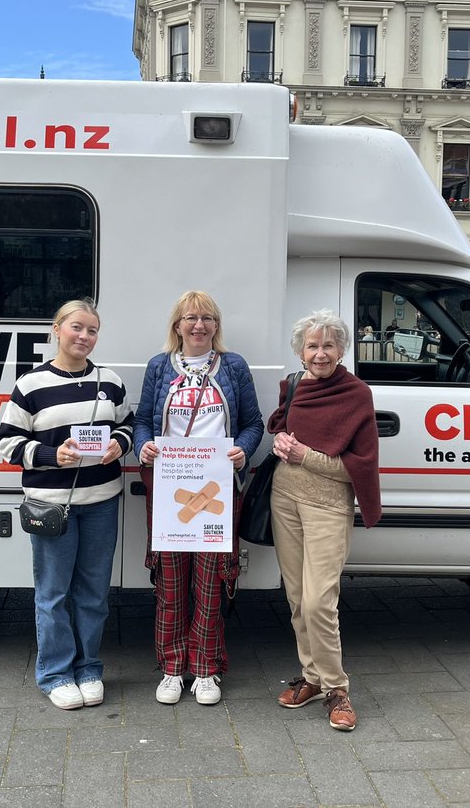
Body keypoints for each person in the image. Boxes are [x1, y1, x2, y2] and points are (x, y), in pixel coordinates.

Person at [0, 298, 134, 711]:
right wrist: (50, 455)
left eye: (92, 330)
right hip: (52, 505)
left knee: (93, 592)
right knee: (53, 593)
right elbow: (7, 443)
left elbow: (127, 424)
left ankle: (89, 667)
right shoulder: (31, 384)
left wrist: (119, 445)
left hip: (102, 502)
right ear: (57, 329)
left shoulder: (109, 381)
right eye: (77, 327)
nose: (85, 336)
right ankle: (55, 674)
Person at [134, 291, 264, 707]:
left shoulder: (234, 366)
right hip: (171, 488)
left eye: (207, 318)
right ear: (177, 325)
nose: (199, 325)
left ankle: (205, 667)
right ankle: (173, 667)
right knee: (170, 580)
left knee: (211, 580)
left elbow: (253, 422)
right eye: (191, 317)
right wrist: (143, 448)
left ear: (216, 326)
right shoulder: (159, 367)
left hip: (217, 488)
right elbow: (141, 421)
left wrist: (243, 449)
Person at [268, 310, 381, 732]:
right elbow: (280, 427)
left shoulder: (356, 394)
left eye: (329, 345)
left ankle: (337, 688)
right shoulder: (294, 387)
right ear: (300, 352)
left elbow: (358, 467)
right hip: (285, 499)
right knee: (298, 599)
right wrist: (279, 440)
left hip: (328, 505)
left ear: (342, 350)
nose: (320, 353)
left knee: (320, 602)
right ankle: (312, 678)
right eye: (312, 346)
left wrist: (305, 456)